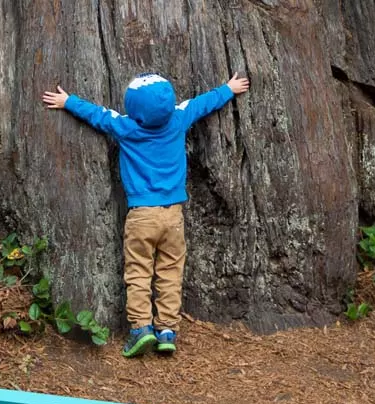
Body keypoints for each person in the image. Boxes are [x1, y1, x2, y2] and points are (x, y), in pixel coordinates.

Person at [42, 72, 250, 357]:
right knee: (170, 272)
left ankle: (141, 328)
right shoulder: (178, 119)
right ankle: (167, 330)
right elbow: (203, 104)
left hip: (141, 215)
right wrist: (229, 88)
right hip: (173, 215)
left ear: (134, 110)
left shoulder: (127, 128)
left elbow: (98, 115)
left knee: (138, 272)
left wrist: (68, 101)